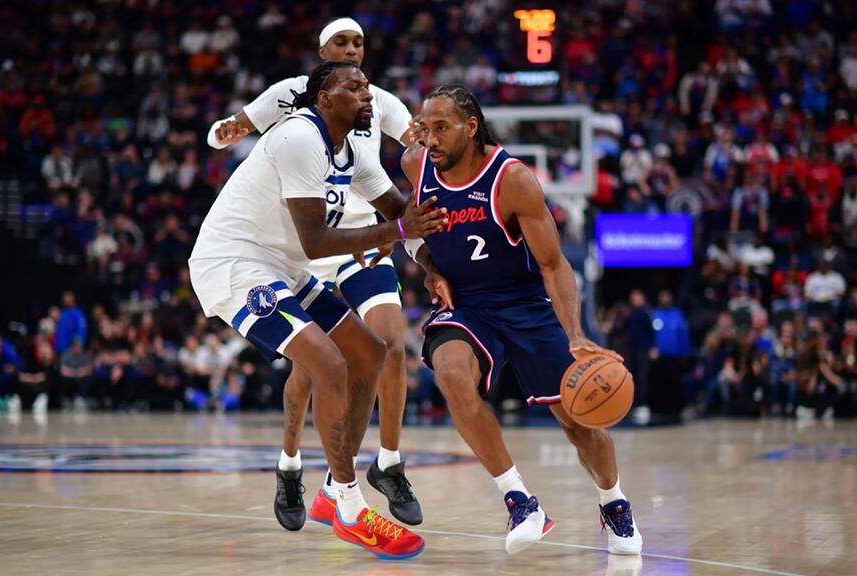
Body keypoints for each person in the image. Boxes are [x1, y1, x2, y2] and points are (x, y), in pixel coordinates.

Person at [190, 60, 447, 559]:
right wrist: (397, 232)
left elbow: (400, 212)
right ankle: (349, 508)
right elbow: (317, 240)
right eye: (354, 87)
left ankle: (333, 488)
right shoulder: (299, 137)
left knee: (370, 353)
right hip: (235, 262)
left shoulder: (351, 151)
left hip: (282, 266)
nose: (367, 94)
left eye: (367, 86)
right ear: (324, 99)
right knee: (327, 362)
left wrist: (432, 269)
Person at [400, 84, 642, 555]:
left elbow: (553, 264)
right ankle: (520, 502)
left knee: (579, 420)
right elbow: (413, 230)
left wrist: (576, 335)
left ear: (471, 127)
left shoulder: (512, 179)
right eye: (426, 128)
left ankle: (613, 502)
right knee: (451, 373)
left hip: (524, 303)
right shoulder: (416, 164)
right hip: (466, 303)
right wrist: (430, 269)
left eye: (442, 128)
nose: (431, 139)